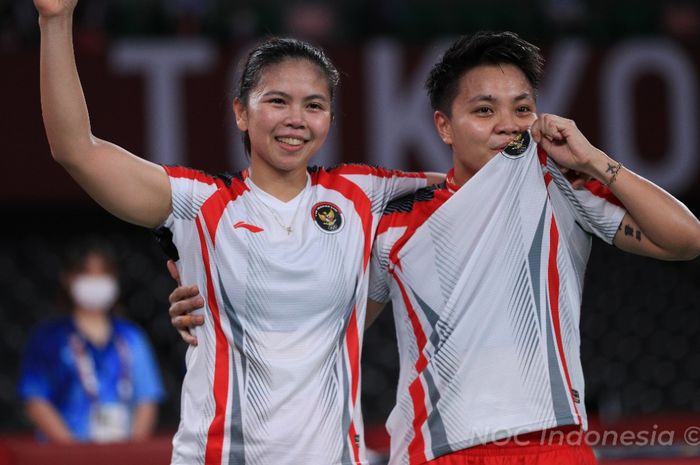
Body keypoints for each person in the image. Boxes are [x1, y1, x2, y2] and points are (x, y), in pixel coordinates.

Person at [169, 31, 700, 465]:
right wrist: (219, 303)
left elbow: (685, 239)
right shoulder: (395, 220)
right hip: (434, 450)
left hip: (551, 442)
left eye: (522, 109)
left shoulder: (560, 187)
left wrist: (592, 159)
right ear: (444, 126)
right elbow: (330, 323)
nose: (508, 126)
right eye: (485, 111)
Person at [34, 0, 441, 462]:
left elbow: (468, 184)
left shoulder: (362, 191)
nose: (296, 119)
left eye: (314, 105)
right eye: (276, 101)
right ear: (240, 113)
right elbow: (76, 150)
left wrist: (532, 137)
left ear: (329, 119)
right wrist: (55, 20)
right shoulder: (200, 202)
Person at [18, 238, 165, 443]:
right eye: (86, 273)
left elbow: (147, 399)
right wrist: (75, 453)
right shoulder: (48, 337)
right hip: (64, 455)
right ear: (68, 278)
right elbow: (36, 400)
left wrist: (131, 454)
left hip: (122, 453)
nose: (95, 281)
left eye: (103, 273)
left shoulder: (132, 336)